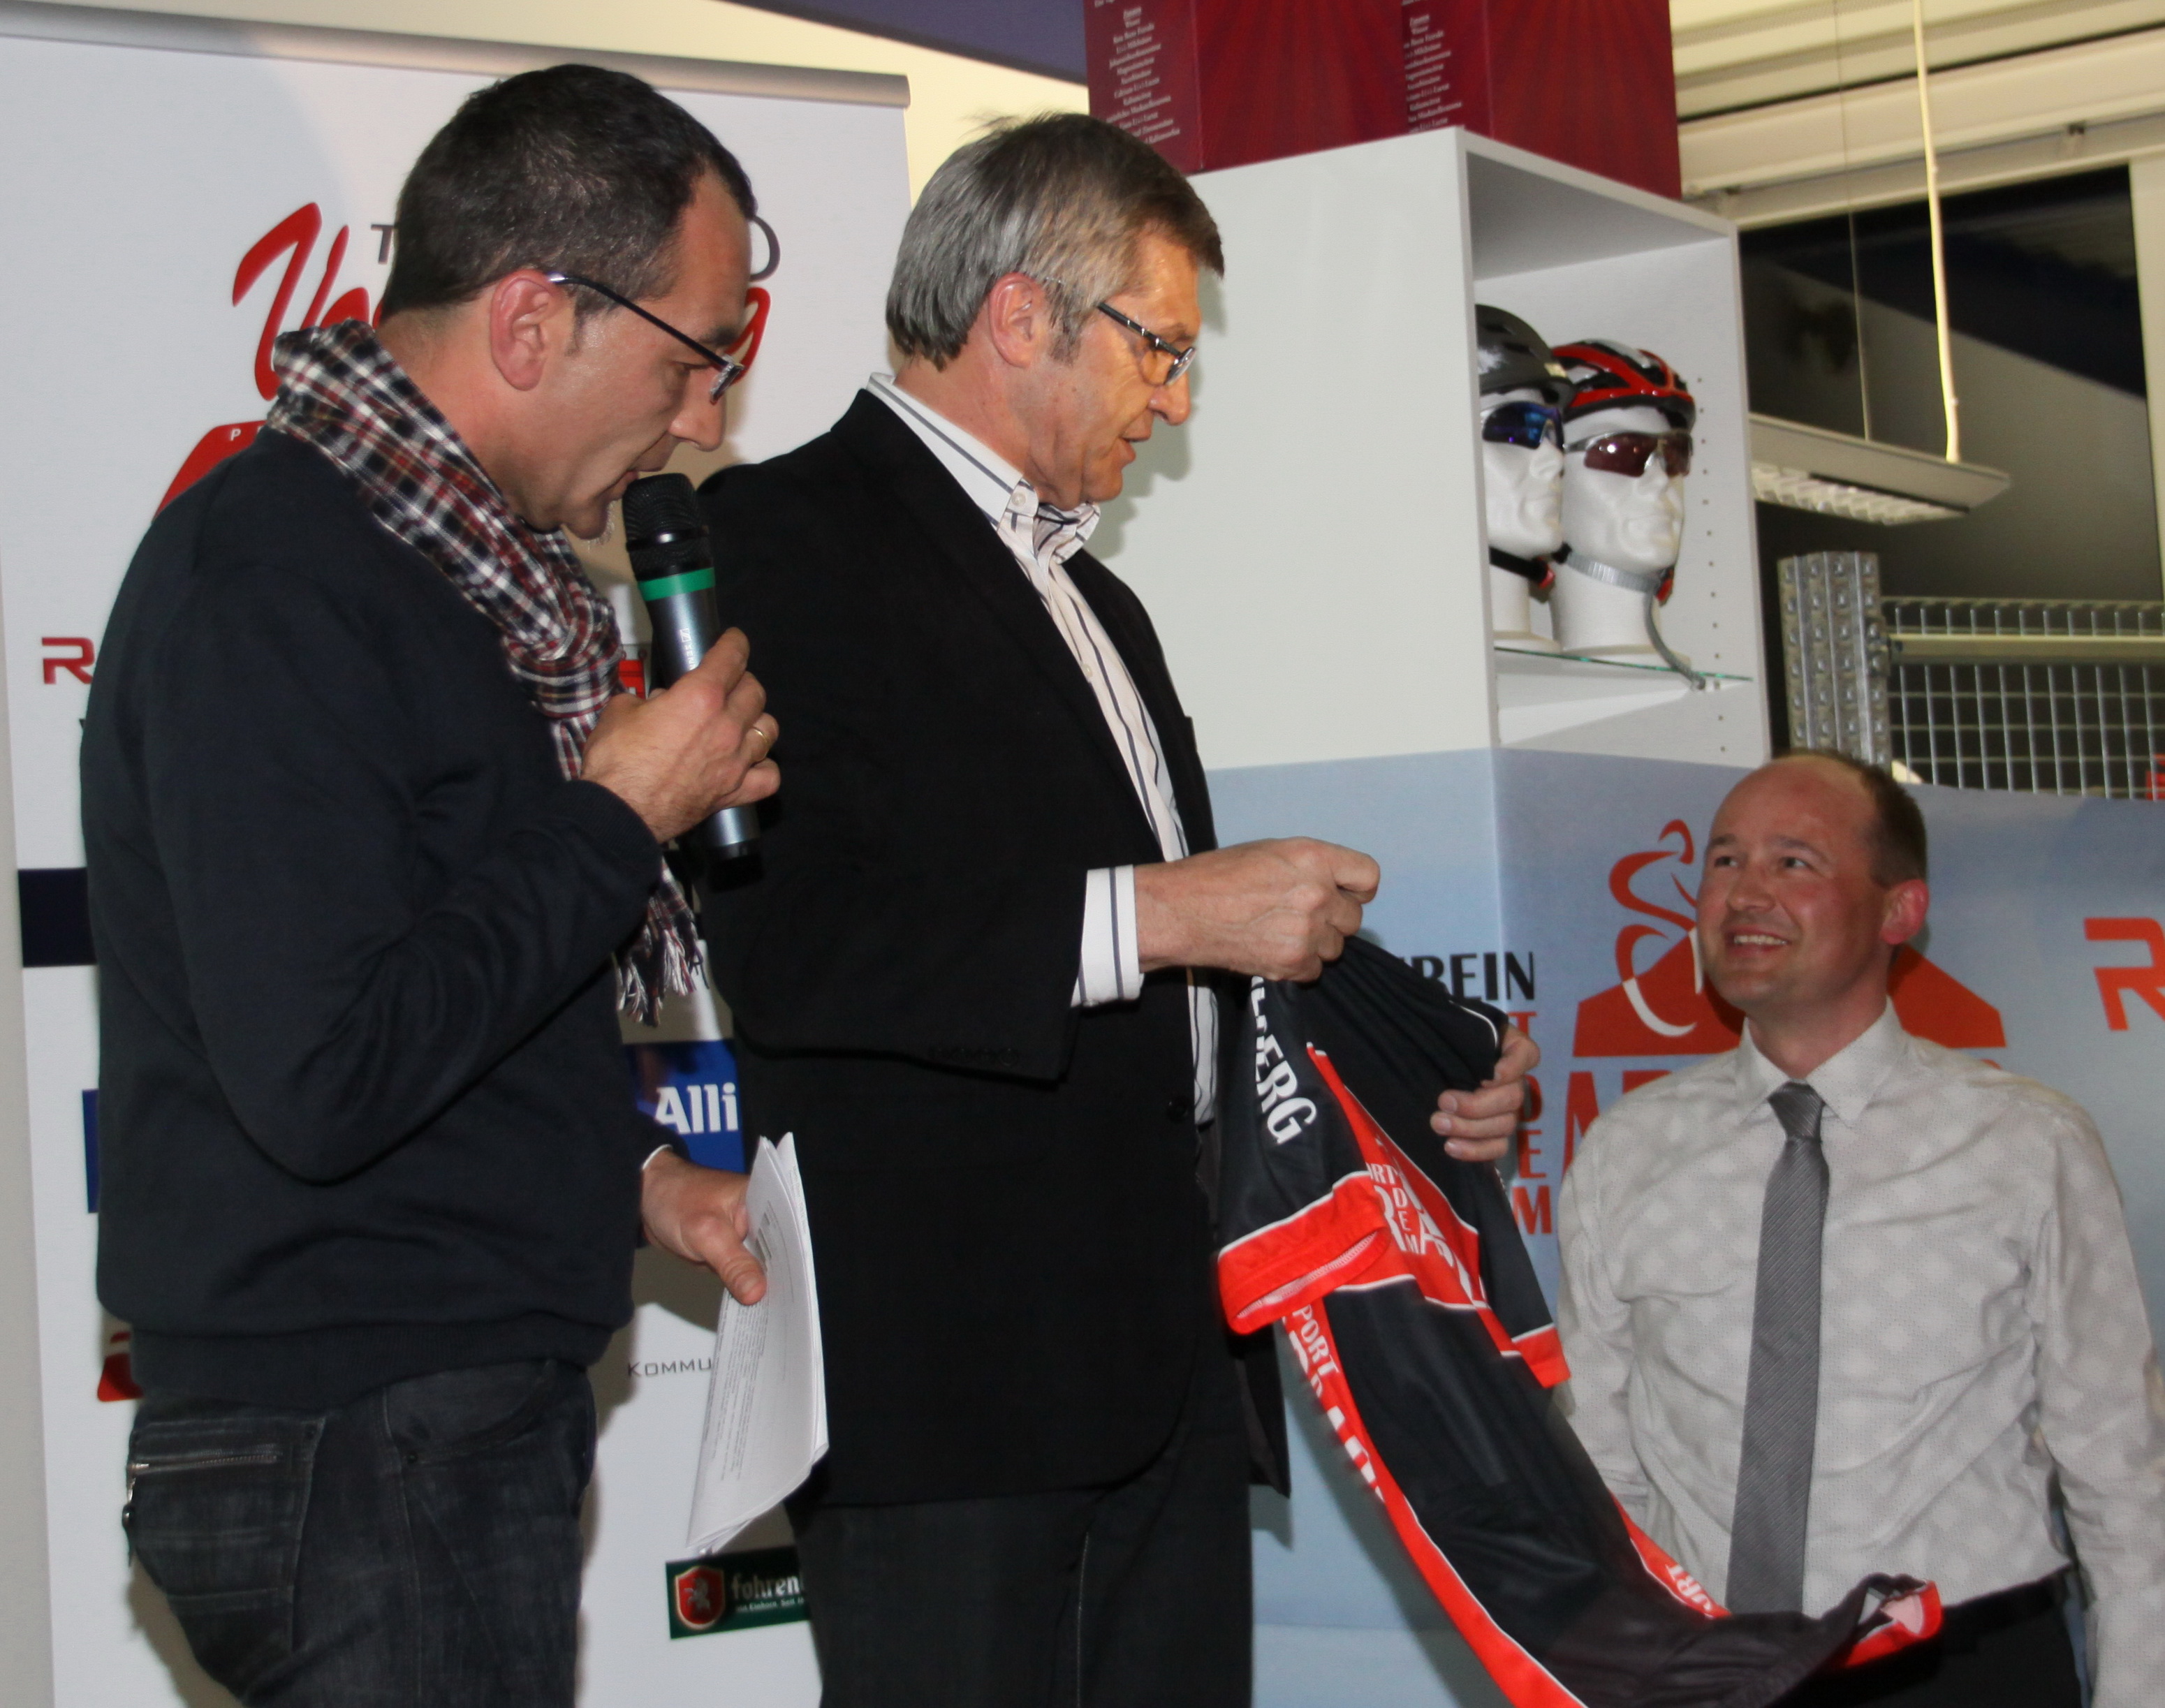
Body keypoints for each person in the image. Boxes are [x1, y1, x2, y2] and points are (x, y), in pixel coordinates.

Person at [698, 112, 1536, 1708]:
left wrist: (1424, 1067)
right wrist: (1161, 912)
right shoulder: (776, 540)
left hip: (1166, 1365)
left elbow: (1180, 982)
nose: (1176, 397)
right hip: (952, 1392)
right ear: (1020, 316)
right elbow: (794, 948)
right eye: (1158, 346)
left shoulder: (1100, 603)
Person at [85, 65, 774, 1707]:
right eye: (693, 359)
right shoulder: (277, 577)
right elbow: (325, 1069)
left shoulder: (467, 577)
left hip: (412, 1423)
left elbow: (433, 986)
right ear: (532, 320)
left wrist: (634, 1180)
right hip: (356, 1426)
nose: (703, 420)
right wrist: (617, 814)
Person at [1557, 751, 2165, 1707]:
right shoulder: (1626, 1150)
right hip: (1703, 1667)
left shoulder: (2025, 1142)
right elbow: (1598, 1462)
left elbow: (2119, 1462)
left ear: (1899, 911)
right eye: (1725, 860)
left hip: (1963, 1667)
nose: (1744, 894)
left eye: (1793, 862)